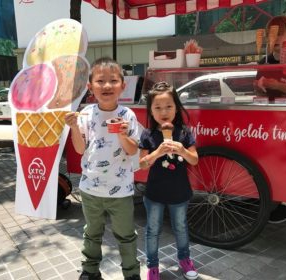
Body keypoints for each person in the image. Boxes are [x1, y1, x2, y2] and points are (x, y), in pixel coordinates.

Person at [65, 57, 141, 280]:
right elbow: (80, 149)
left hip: (121, 190)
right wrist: (72, 128)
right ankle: (90, 271)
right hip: (90, 190)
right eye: (100, 81)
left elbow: (132, 150)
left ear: (123, 85)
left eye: (113, 80)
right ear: (90, 87)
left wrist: (122, 135)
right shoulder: (86, 114)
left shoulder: (128, 115)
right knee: (92, 233)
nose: (107, 86)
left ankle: (131, 273)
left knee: (126, 235)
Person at [138, 81, 199, 280]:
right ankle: (153, 266)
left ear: (176, 108)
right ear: (151, 111)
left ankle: (185, 259)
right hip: (154, 193)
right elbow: (143, 164)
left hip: (180, 192)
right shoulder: (148, 134)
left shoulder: (184, 133)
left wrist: (181, 149)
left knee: (180, 228)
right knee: (152, 230)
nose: (163, 111)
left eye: (169, 107)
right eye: (158, 107)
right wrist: (157, 152)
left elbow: (195, 160)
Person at [254, 15, 286, 224]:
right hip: (271, 121)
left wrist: (279, 85)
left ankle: (285, 202)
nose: (279, 38)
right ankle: (269, 194)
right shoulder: (264, 60)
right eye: (275, 33)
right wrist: (259, 87)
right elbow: (257, 91)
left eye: (283, 32)